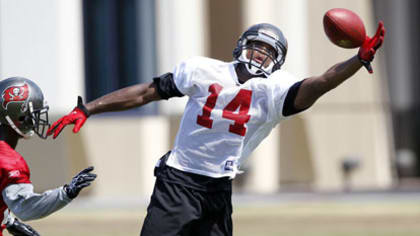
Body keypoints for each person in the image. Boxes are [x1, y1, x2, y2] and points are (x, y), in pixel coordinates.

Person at [47, 22, 385, 236]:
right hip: (178, 180)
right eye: (257, 45)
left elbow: (321, 83)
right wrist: (88, 108)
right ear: (240, 45)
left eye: (269, 52)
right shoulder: (202, 70)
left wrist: (357, 60)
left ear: (278, 61)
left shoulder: (275, 90)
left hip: (218, 189)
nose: (260, 55)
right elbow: (148, 91)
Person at [0, 77, 97, 236]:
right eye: (33, 114)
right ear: (19, 117)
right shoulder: (9, 160)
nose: (37, 119)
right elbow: (25, 207)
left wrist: (9, 221)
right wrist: (66, 192)